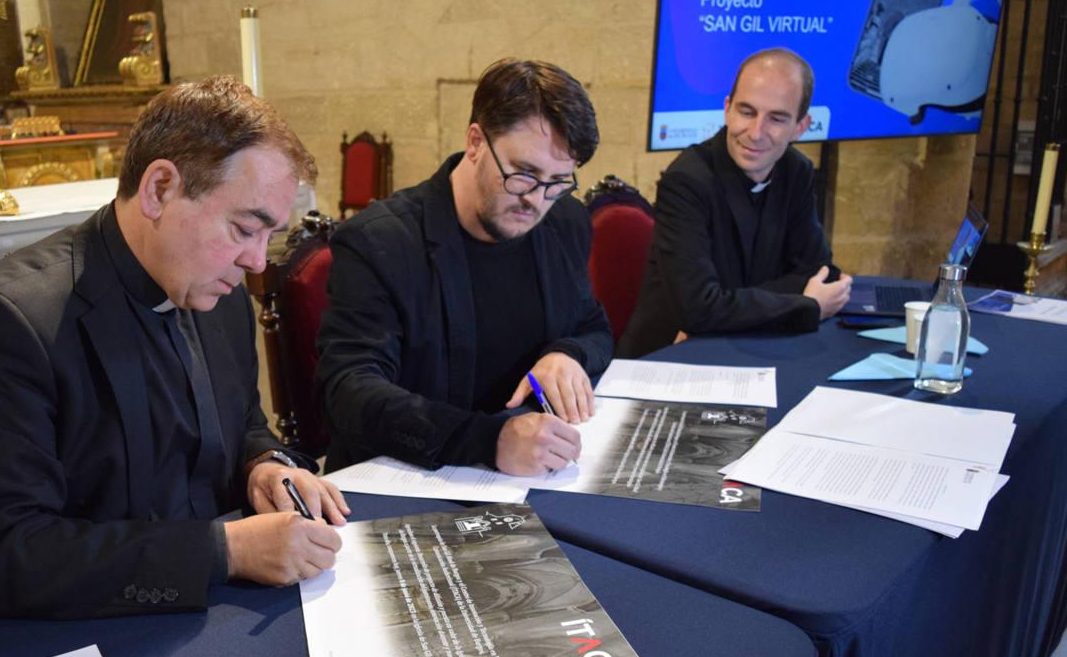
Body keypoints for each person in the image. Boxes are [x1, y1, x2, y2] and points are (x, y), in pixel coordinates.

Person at [0, 76, 348, 626]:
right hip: (42, 639)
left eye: (270, 237)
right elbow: (2, 553)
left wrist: (262, 465)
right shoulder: (8, 319)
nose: (258, 263)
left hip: (195, 614)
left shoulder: (223, 301)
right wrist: (226, 551)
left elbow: (242, 424)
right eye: (245, 228)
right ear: (160, 189)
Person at [317, 59, 612, 477]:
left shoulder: (565, 221)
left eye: (558, 181)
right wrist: (488, 441)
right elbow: (350, 393)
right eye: (524, 173)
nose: (537, 199)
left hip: (527, 471)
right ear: (475, 142)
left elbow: (594, 328)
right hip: (410, 476)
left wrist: (568, 354)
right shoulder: (380, 241)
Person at [618, 48, 853, 358]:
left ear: (801, 126)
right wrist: (804, 305)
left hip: (753, 346)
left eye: (777, 118)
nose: (756, 133)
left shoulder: (797, 171)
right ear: (727, 109)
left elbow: (819, 272)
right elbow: (697, 308)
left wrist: (729, 304)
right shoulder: (687, 180)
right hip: (670, 355)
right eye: (747, 112)